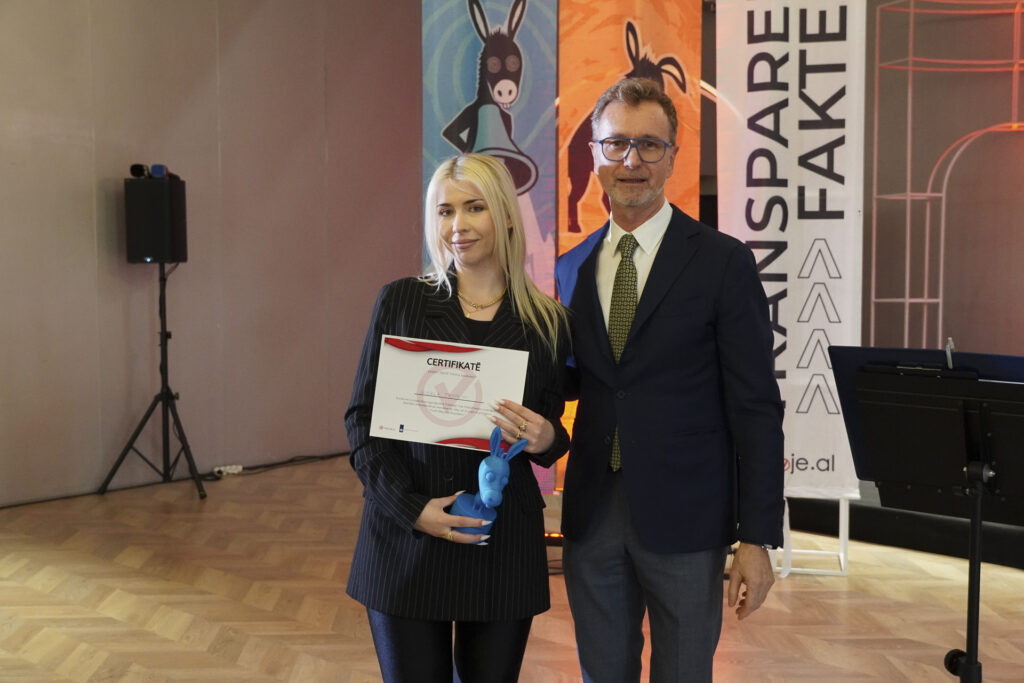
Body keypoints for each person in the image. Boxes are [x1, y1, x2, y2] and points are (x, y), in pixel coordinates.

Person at [554, 77, 785, 683]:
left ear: (673, 157)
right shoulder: (571, 267)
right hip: (592, 515)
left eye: (649, 145)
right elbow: (573, 380)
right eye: (616, 144)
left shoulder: (723, 262)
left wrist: (757, 537)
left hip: (689, 518)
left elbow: (757, 407)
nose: (631, 161)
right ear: (594, 154)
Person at [345, 153, 571, 683]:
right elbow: (362, 422)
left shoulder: (549, 322)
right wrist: (413, 510)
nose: (458, 225)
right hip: (406, 542)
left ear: (506, 215)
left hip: (501, 548)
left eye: (474, 208)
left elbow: (551, 433)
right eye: (445, 211)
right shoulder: (402, 300)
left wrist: (545, 437)